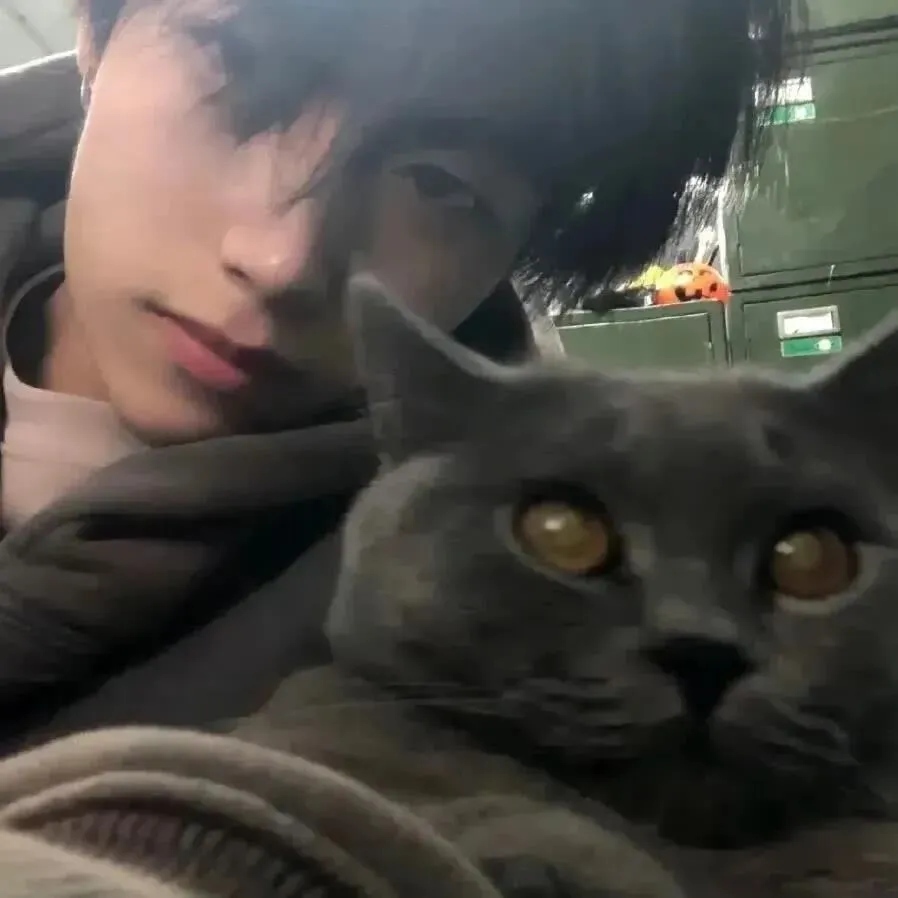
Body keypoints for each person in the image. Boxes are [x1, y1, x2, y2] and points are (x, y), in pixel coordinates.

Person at [0, 0, 788, 752]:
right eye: (238, 71)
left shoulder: (512, 650)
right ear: (95, 30)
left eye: (440, 184)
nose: (281, 261)